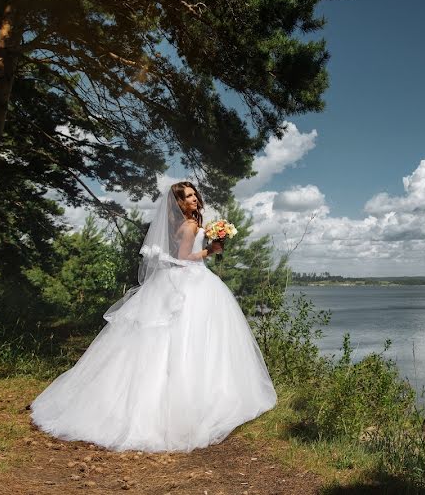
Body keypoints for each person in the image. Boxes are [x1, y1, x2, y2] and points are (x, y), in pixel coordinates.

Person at [29, 181, 278, 453]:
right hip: (189, 281)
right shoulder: (190, 226)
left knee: (167, 339)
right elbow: (184, 257)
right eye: (188, 197)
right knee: (188, 337)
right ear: (179, 203)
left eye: (195, 195)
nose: (194, 200)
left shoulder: (182, 224)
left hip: (179, 280)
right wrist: (211, 250)